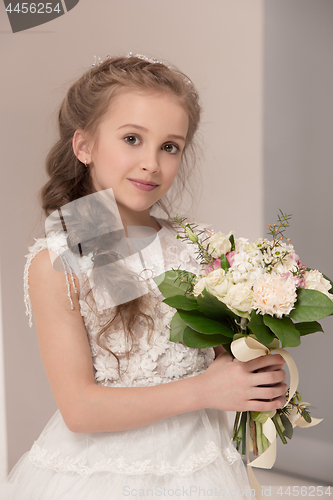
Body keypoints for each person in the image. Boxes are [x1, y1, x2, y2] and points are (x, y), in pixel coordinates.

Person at [1, 54, 287, 499]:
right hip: (105, 475)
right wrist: (207, 389)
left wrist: (258, 376)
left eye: (169, 146)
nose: (151, 162)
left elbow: (223, 358)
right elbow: (80, 409)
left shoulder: (200, 246)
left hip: (201, 463)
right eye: (132, 138)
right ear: (84, 146)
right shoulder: (67, 255)